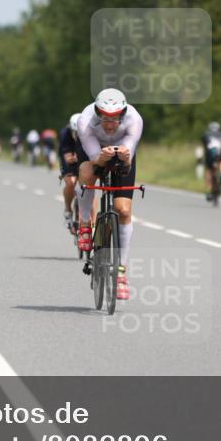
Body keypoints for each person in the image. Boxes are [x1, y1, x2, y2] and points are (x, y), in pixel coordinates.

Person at [76, 88, 143, 301]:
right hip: (93, 151)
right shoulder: (85, 121)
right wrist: (100, 158)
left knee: (123, 210)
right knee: (87, 174)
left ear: (123, 115)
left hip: (122, 151)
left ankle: (121, 273)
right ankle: (85, 222)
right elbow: (95, 158)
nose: (109, 123)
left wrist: (124, 155)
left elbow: (128, 158)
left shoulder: (134, 119)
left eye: (115, 119)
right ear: (97, 112)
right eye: (104, 117)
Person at [59, 113, 84, 234]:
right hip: (70, 159)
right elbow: (69, 159)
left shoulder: (88, 132)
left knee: (88, 187)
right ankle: (68, 210)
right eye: (75, 133)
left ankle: (93, 224)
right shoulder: (65, 134)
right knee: (71, 182)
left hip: (82, 157)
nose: (77, 136)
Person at [201, 122, 221, 201]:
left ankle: (209, 191)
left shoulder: (206, 134)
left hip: (210, 152)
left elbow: (204, 145)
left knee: (209, 171)